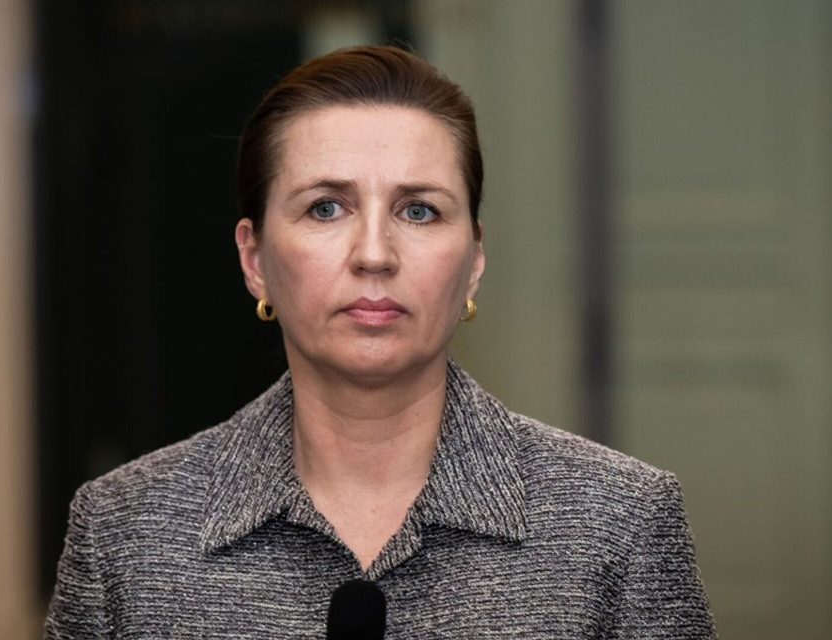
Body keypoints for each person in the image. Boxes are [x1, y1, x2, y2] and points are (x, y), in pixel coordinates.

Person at [45, 45, 716, 639]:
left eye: (418, 210)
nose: (374, 254)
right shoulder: (122, 533)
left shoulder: (621, 523)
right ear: (255, 260)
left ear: (474, 259)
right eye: (326, 207)